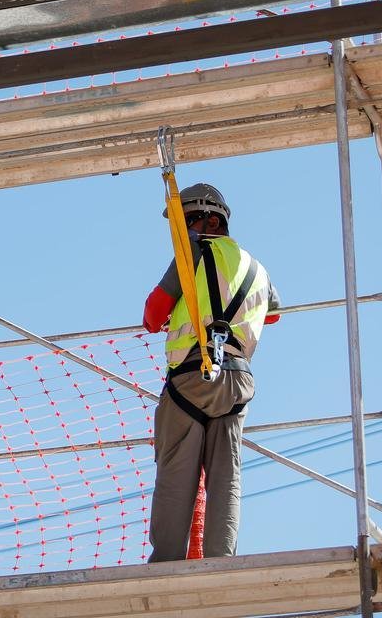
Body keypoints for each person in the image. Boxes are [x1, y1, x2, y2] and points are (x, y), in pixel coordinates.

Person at [141, 183, 281, 562]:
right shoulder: (256, 266)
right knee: (226, 478)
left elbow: (153, 316)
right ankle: (222, 562)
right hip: (237, 381)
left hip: (191, 378)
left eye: (182, 223)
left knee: (175, 476)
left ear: (201, 220)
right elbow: (273, 313)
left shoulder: (192, 254)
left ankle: (166, 563)